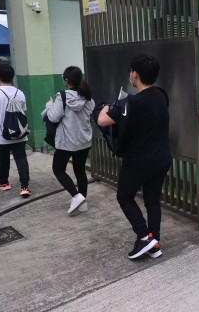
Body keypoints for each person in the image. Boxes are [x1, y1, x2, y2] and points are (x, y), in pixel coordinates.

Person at [97, 54, 170, 259]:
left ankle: (144, 237)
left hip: (139, 161)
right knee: (152, 200)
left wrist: (108, 105)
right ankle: (154, 243)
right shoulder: (161, 95)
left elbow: (102, 120)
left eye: (131, 71)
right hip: (161, 158)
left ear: (135, 74)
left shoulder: (131, 102)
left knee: (124, 196)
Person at [44, 66, 95, 215]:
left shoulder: (62, 96)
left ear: (66, 81)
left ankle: (76, 196)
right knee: (80, 170)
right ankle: (83, 203)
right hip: (84, 141)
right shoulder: (88, 97)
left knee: (58, 169)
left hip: (66, 142)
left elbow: (54, 117)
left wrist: (49, 106)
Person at [0, 64, 31, 197]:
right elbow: (22, 112)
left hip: (1, 134)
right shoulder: (20, 93)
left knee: (3, 160)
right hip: (19, 133)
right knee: (21, 158)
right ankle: (25, 187)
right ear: (12, 76)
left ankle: (4, 183)